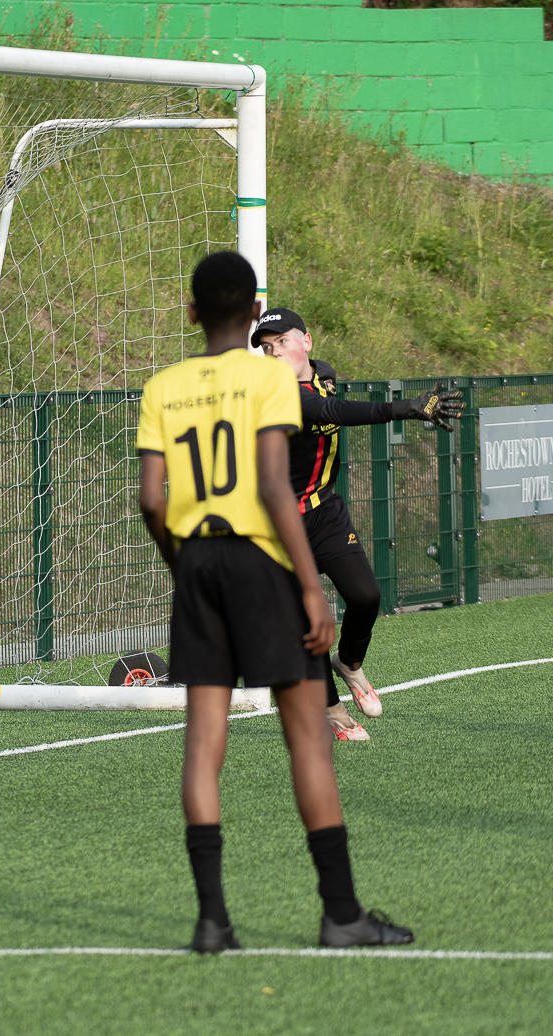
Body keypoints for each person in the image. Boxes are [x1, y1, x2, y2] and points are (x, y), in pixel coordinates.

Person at [136, 251, 413, 952]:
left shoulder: (163, 386)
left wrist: (183, 566)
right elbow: (270, 485)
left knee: (203, 744)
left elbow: (151, 500)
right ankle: (341, 915)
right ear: (255, 312)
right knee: (308, 740)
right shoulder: (268, 379)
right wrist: (308, 587)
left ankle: (212, 921)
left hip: (197, 563)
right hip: (262, 562)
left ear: (192, 312)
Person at [253, 309, 464, 740]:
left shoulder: (324, 374)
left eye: (282, 342)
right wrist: (405, 408)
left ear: (307, 342)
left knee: (366, 596)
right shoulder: (283, 395)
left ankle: (348, 663)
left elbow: (329, 397)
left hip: (325, 511)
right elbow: (335, 410)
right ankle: (332, 710)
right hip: (280, 525)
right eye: (267, 348)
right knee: (307, 622)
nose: (275, 353)